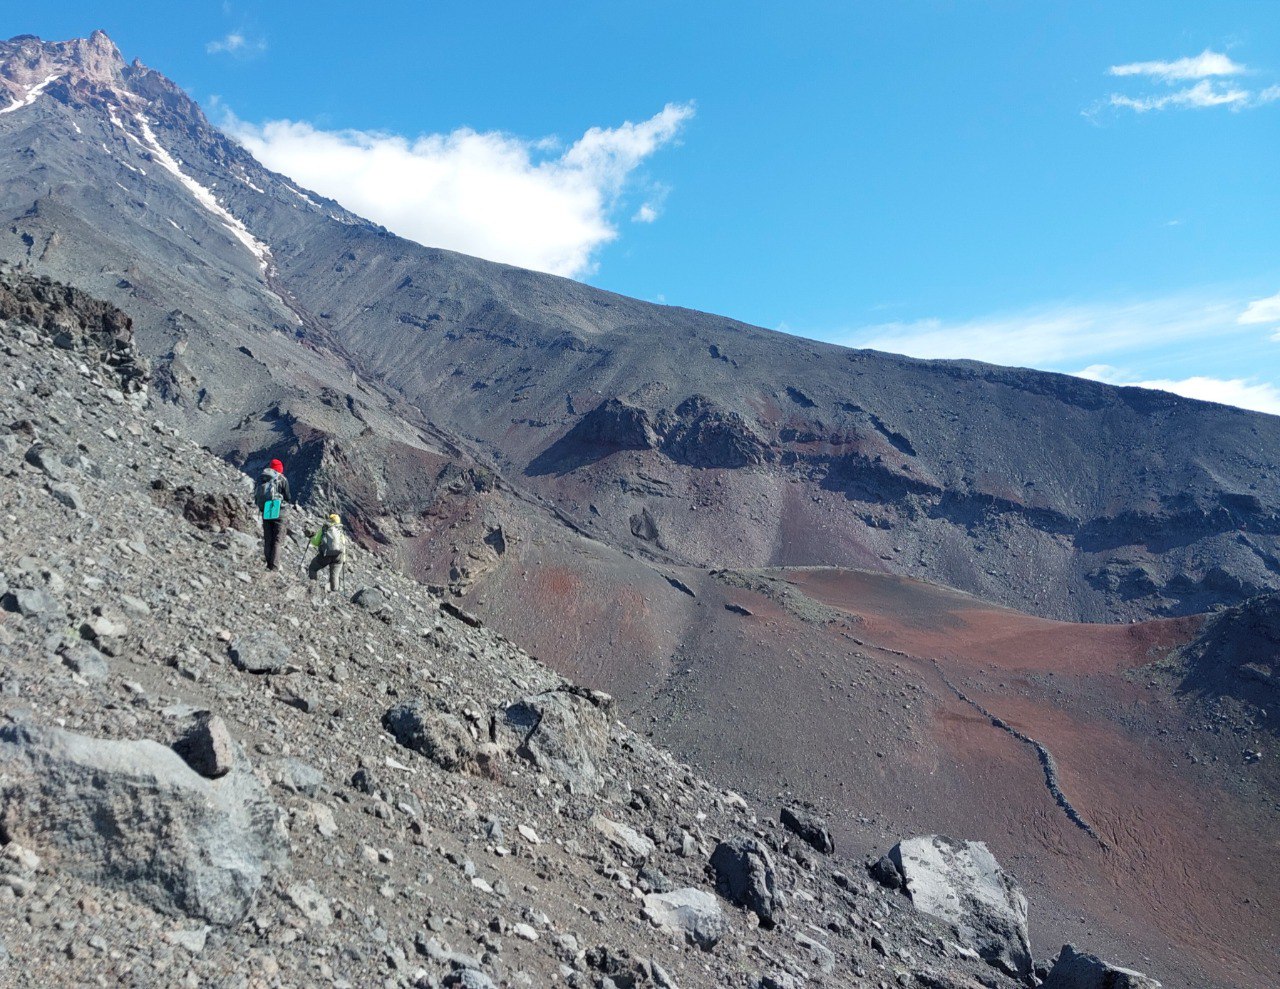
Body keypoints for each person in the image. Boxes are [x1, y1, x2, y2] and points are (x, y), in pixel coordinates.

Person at [254, 458, 292, 571]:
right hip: (279, 510)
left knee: (268, 539)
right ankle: (274, 567)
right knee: (277, 540)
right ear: (279, 469)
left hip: (266, 509)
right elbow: (288, 497)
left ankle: (268, 564)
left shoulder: (261, 478)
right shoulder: (281, 479)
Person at [308, 513, 347, 592]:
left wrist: (311, 537)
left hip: (325, 555)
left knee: (312, 568)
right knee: (335, 575)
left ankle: (313, 587)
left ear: (330, 520)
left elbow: (315, 542)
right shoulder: (340, 531)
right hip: (338, 557)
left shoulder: (325, 529)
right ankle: (334, 591)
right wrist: (344, 560)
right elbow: (343, 546)